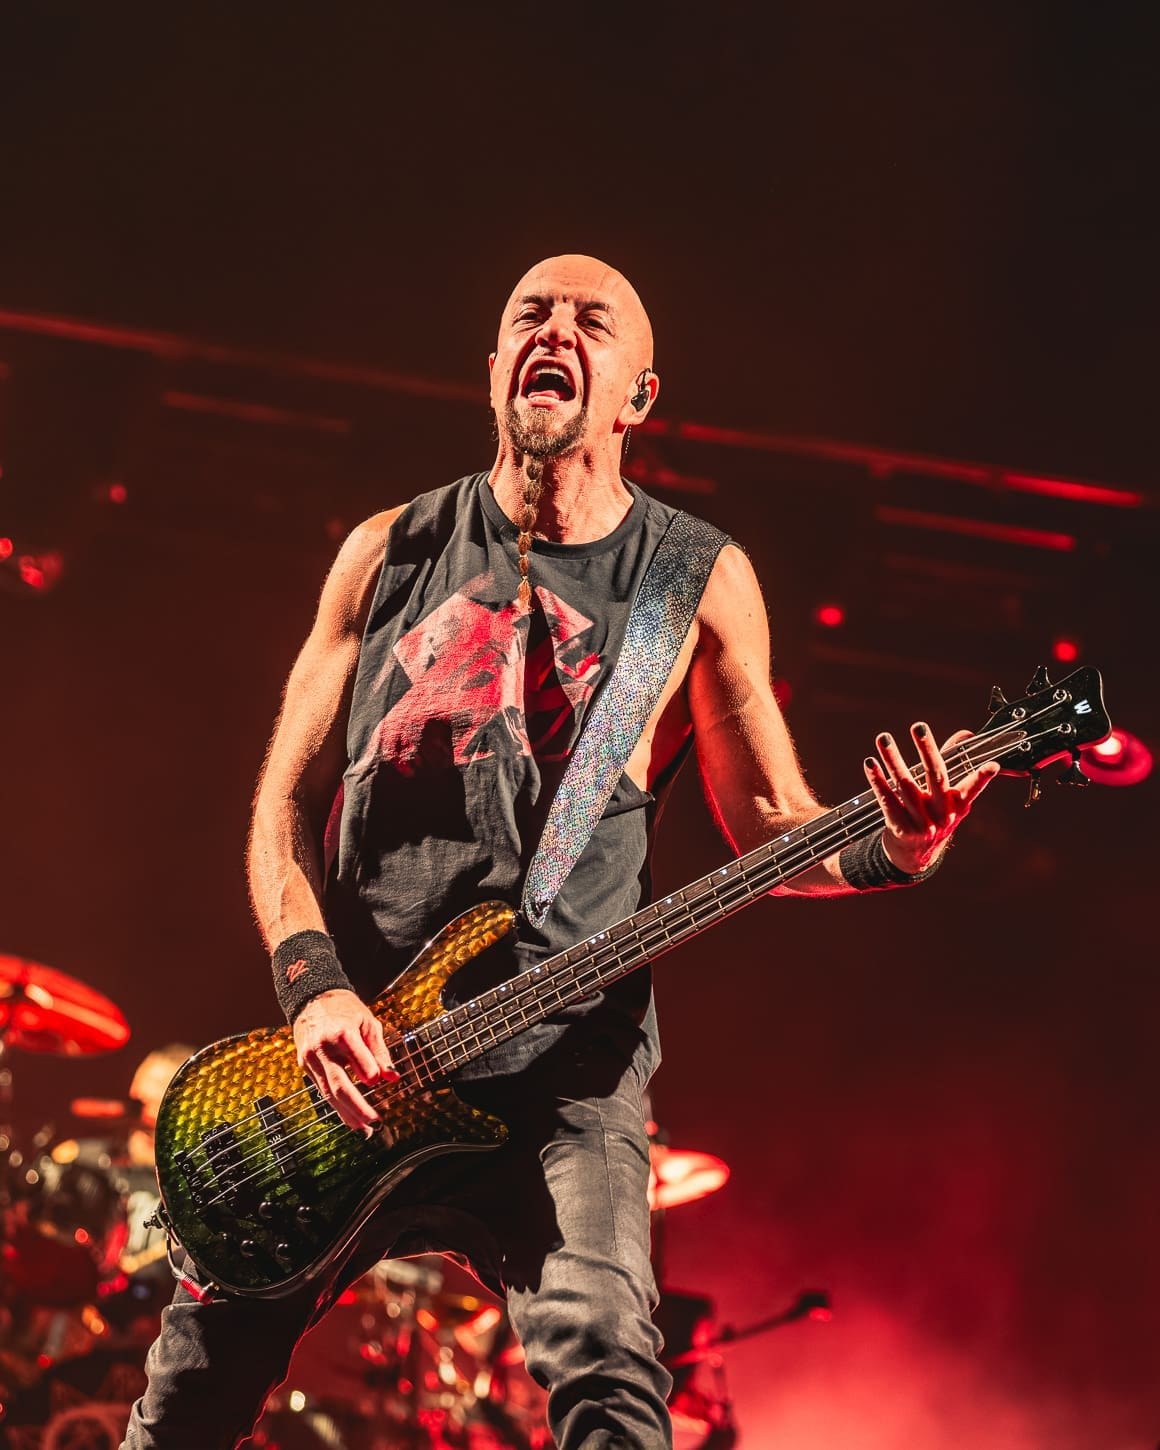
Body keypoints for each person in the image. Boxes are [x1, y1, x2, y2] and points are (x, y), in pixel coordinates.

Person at [121, 254, 998, 1449]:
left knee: (609, 1384)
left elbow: (772, 829)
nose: (556, 331)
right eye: (529, 314)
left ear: (637, 393)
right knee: (186, 1403)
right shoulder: (387, 552)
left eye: (593, 322)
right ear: (493, 373)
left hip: (560, 1077)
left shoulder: (693, 578)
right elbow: (282, 803)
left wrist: (894, 846)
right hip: (356, 1057)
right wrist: (314, 988)